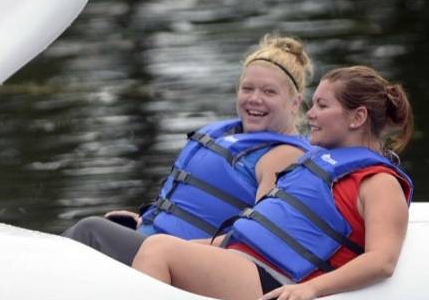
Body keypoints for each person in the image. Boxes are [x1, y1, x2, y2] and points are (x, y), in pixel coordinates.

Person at [130, 65, 414, 300]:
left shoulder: (379, 182)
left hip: (276, 280)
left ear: (357, 117)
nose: (310, 113)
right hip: (243, 257)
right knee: (152, 245)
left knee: (160, 251)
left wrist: (311, 289)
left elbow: (382, 261)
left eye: (322, 105)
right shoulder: (316, 161)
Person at [63, 35, 314, 264]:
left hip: (185, 262)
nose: (254, 98)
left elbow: (261, 237)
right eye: (247, 88)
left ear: (295, 102)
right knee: (89, 235)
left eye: (269, 92)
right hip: (155, 242)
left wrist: (169, 249)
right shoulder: (228, 134)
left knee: (90, 231)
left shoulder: (283, 156)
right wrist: (141, 222)